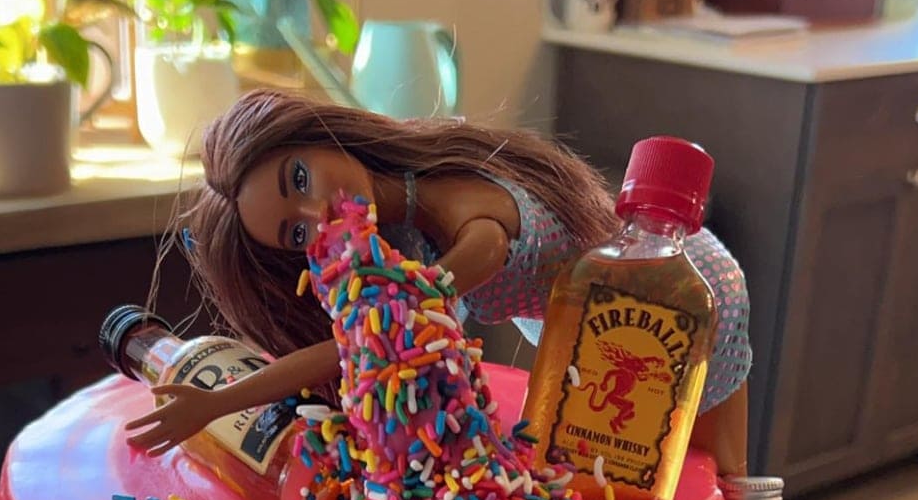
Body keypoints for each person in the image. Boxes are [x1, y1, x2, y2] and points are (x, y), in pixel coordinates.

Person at [128, 90, 750, 473]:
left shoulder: (471, 227)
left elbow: (363, 342)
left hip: (672, 294)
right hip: (577, 326)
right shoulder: (395, 229)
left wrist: (221, 402)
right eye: (296, 233)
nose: (318, 214)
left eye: (299, 179)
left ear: (319, 137)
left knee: (716, 473)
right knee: (616, 468)